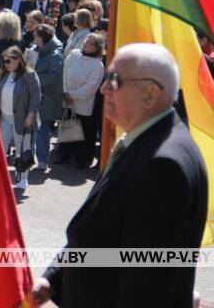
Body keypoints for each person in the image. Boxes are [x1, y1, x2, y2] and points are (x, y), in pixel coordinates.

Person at [33, 44, 207, 308]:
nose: (104, 89)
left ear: (151, 93)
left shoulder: (162, 164)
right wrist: (52, 278)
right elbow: (99, 235)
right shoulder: (143, 141)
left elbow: (147, 286)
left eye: (114, 80)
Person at [0, 45, 41, 190]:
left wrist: (31, 114)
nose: (5, 64)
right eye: (4, 61)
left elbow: (36, 95)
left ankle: (23, 178)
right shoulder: (4, 74)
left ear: (18, 60)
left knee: (22, 149)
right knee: (0, 148)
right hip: (4, 117)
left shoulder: (29, 74)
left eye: (8, 61)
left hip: (22, 118)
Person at [62, 32, 105, 168]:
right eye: (86, 40)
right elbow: (64, 72)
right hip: (67, 99)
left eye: (90, 43)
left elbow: (91, 86)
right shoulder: (74, 54)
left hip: (83, 103)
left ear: (96, 47)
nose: (86, 43)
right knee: (67, 128)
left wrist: (72, 95)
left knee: (84, 133)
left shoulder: (98, 64)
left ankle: (82, 159)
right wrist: (65, 91)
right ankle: (64, 155)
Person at [31, 24, 63, 170]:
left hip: (47, 96)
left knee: (42, 128)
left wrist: (32, 77)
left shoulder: (55, 54)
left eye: (36, 35)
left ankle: (43, 160)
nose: (33, 37)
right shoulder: (36, 48)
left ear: (43, 38)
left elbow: (52, 77)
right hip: (34, 94)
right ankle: (28, 157)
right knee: (30, 126)